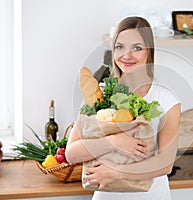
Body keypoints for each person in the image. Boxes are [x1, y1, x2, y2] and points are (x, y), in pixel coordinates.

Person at [66, 16, 181, 200]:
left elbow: (165, 164)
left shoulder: (166, 99)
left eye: (137, 48)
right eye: (120, 47)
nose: (126, 56)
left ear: (149, 51)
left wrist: (116, 171)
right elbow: (71, 153)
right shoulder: (99, 94)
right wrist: (114, 141)